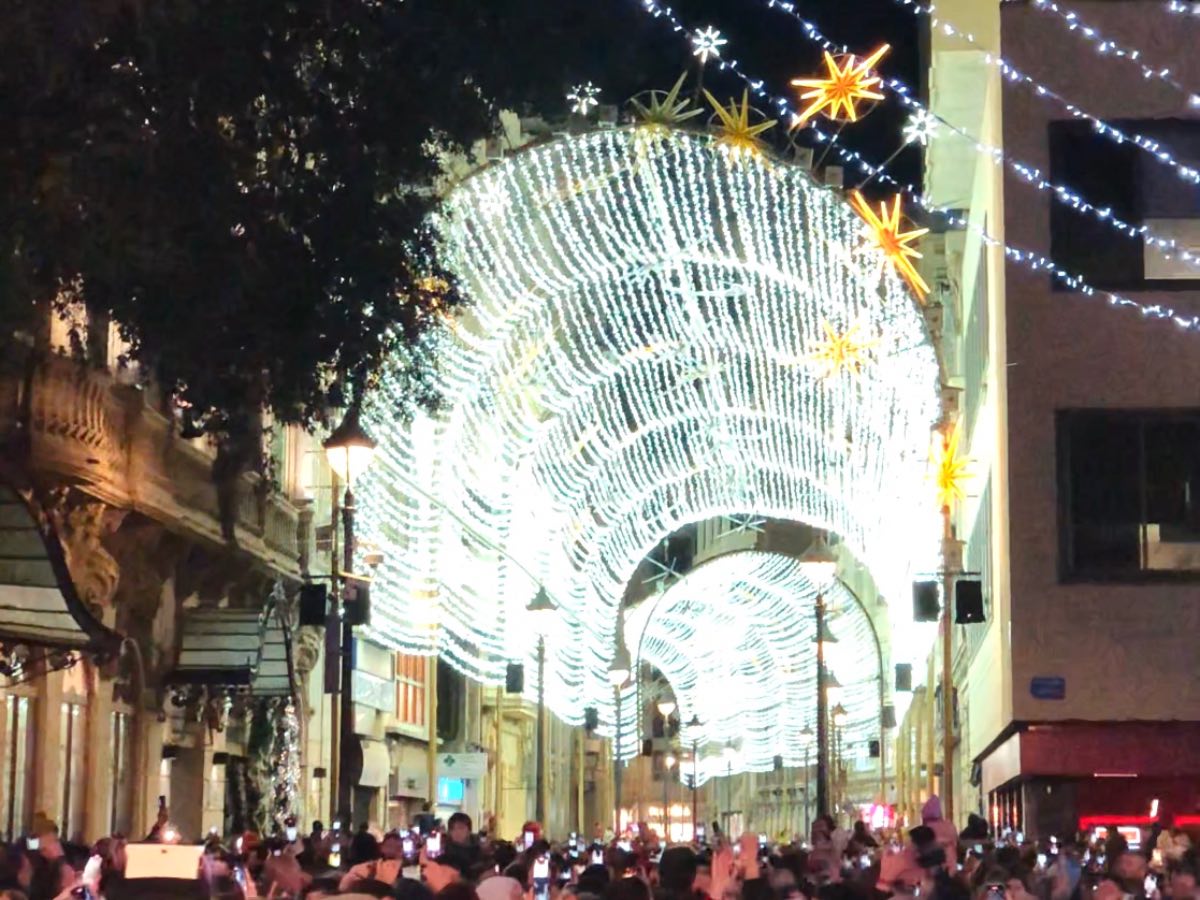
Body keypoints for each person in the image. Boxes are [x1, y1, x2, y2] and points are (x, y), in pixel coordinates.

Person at [339, 832, 404, 893]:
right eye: (389, 846)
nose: (392, 850)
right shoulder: (362, 870)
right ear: (381, 848)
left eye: (398, 848)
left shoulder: (402, 872)